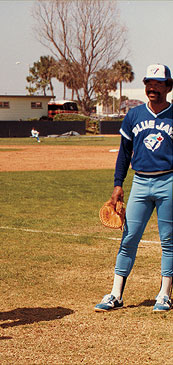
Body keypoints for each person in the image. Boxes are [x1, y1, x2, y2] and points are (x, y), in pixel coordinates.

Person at [94, 63, 173, 313]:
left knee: (169, 241)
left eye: (158, 83)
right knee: (128, 238)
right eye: (149, 83)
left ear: (169, 87)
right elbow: (124, 153)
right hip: (140, 182)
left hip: (169, 181)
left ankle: (164, 294)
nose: (152, 87)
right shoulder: (134, 115)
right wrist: (118, 184)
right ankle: (115, 294)